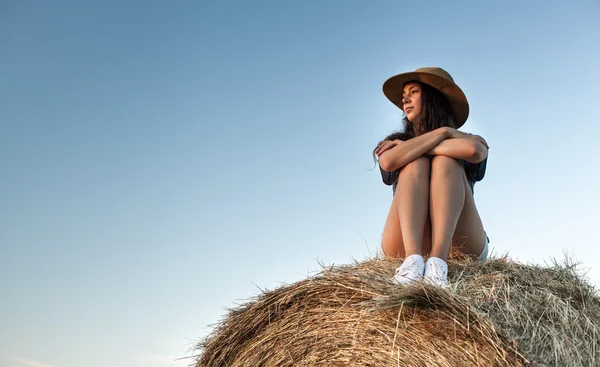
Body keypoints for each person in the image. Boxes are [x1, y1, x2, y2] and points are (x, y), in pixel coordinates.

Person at [374, 67, 489, 287]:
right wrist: (442, 134)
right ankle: (412, 261)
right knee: (415, 163)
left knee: (445, 161)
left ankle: (438, 263)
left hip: (459, 244)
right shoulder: (395, 140)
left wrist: (436, 136)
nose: (405, 99)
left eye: (414, 91)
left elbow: (476, 151)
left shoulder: (466, 139)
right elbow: (388, 162)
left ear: (433, 97)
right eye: (404, 95)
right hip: (404, 243)